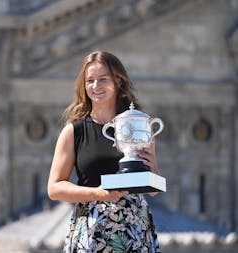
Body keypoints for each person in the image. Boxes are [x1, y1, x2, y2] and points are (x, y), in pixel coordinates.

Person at [47, 51, 161, 252]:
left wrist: (152, 169)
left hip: (134, 231)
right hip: (92, 230)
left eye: (102, 79)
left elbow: (151, 190)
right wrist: (98, 193)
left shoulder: (138, 127)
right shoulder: (74, 131)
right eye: (90, 80)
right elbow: (54, 188)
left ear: (118, 82)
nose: (95, 86)